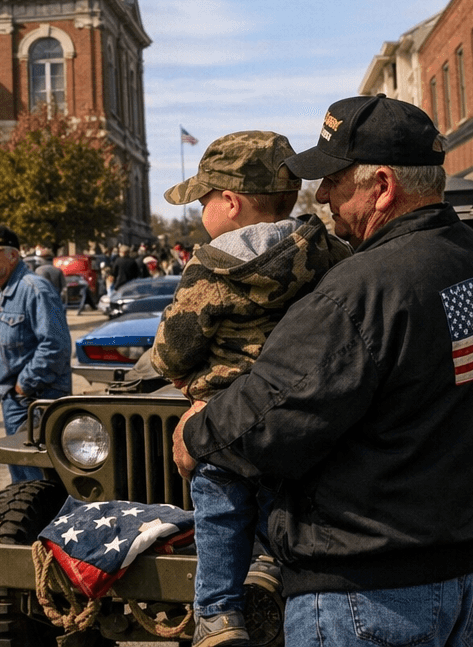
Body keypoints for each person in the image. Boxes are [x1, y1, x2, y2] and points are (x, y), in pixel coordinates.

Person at [175, 95, 473, 647]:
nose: (320, 196)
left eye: (334, 180)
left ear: (382, 186)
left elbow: (272, 421)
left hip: (365, 592)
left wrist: (198, 429)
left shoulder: (360, 292)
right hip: (460, 578)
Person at [153, 132, 350, 647]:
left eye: (203, 201)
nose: (200, 212)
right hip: (300, 414)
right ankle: (268, 568)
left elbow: (174, 347)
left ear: (230, 202)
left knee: (217, 502)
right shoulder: (331, 252)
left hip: (222, 417)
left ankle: (218, 613)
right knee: (280, 499)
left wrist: (186, 378)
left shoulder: (212, 266)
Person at [0, 225, 71, 483]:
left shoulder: (34, 289)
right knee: (22, 481)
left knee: (37, 484)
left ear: (13, 255)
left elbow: (56, 346)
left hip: (36, 401)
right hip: (15, 401)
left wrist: (24, 384)